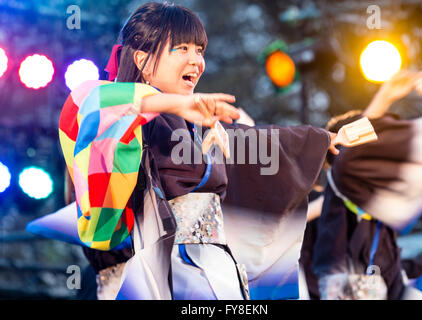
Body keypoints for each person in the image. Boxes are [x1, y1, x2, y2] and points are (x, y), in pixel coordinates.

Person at [58, 2, 347, 300]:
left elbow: (261, 141)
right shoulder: (126, 120)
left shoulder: (202, 126)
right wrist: (173, 103)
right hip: (169, 270)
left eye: (199, 50)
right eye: (182, 48)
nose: (196, 60)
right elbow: (93, 104)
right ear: (143, 60)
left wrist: (321, 140)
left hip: (218, 267)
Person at [310, 69, 422, 299]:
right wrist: (385, 96)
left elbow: (388, 274)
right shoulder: (341, 183)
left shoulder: (381, 208)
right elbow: (351, 153)